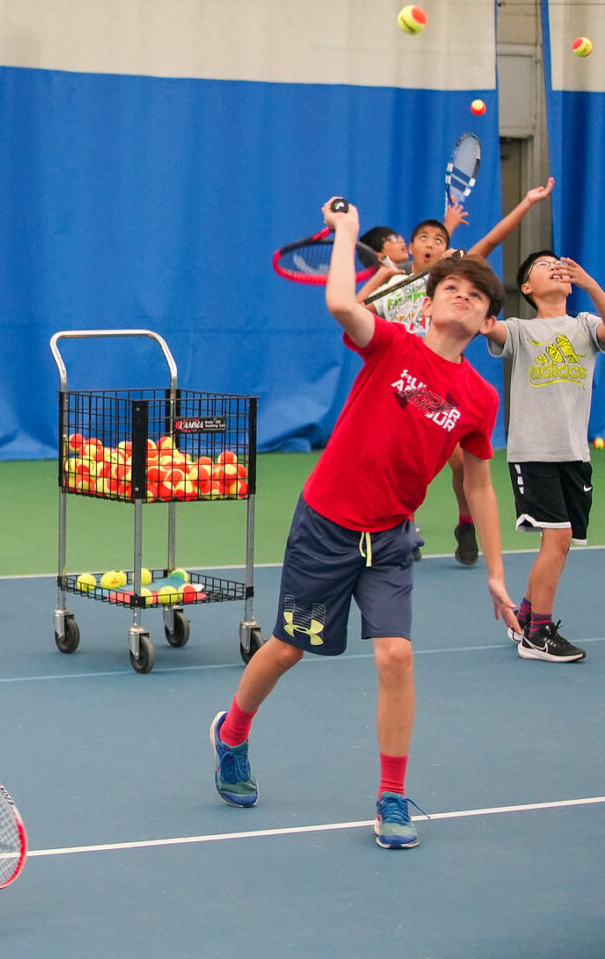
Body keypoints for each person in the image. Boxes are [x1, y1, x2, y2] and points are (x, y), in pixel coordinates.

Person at [210, 198, 514, 850]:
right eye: (450, 288)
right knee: (288, 648)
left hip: (392, 536)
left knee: (397, 655)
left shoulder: (480, 397)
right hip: (327, 523)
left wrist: (495, 570)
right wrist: (347, 234)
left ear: (489, 319)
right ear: (428, 306)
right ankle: (232, 731)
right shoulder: (394, 346)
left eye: (474, 295)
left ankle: (391, 795)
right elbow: (343, 306)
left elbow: (481, 483)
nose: (461, 297)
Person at [362, 179, 554, 564]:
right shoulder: (396, 285)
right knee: (400, 457)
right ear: (410, 247)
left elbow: (488, 245)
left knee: (460, 463)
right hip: (402, 382)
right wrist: (382, 277)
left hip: (436, 383)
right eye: (423, 237)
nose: (430, 243)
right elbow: (355, 311)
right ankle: (405, 526)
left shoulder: (448, 282)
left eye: (438, 238)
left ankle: (466, 521)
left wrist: (526, 204)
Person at [485, 250, 605, 660]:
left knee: (561, 544)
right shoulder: (520, 330)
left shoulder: (584, 324)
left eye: (560, 265)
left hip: (574, 453)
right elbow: (487, 329)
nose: (556, 268)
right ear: (526, 287)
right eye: (543, 266)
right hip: (534, 452)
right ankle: (537, 635)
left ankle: (527, 614)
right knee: (557, 537)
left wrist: (590, 284)